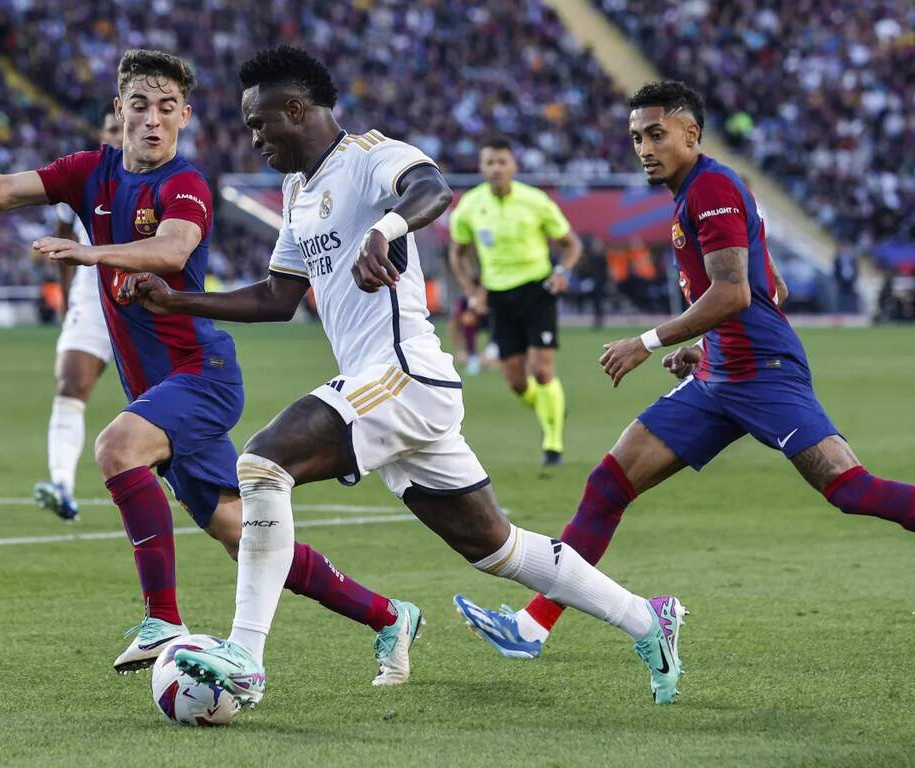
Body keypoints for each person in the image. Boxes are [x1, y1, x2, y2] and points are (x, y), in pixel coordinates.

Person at [124, 45, 686, 709]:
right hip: (386, 388)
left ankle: (246, 656)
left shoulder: (368, 155)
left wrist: (383, 229)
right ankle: (649, 621)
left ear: (296, 110)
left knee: (262, 464)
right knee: (495, 547)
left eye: (259, 124)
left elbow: (433, 189)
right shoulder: (298, 191)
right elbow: (277, 298)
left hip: (402, 373)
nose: (254, 139)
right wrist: (178, 299)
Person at [0, 48, 421, 686]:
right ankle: (388, 615)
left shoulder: (184, 184)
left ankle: (163, 620)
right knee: (247, 538)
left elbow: (172, 247)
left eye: (167, 109)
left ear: (183, 117)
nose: (153, 120)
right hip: (158, 387)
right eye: (141, 106)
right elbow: (0, 189)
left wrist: (93, 252)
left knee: (116, 448)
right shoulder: (87, 172)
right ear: (120, 111)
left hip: (202, 374)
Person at [453, 80, 915, 660]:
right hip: (720, 374)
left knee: (849, 489)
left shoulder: (713, 186)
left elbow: (736, 291)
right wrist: (706, 346)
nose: (644, 147)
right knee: (608, 485)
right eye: (636, 137)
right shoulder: (690, 193)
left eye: (656, 134)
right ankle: (533, 627)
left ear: (691, 135)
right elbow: (771, 284)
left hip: (765, 373)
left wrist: (648, 340)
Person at [448, 138, 583, 467]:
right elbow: (458, 252)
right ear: (481, 167)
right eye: (490, 162)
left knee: (541, 370)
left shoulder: (535, 201)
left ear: (513, 166)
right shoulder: (469, 206)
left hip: (538, 290)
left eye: (502, 162)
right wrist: (472, 291)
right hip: (498, 296)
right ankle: (549, 406)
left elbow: (571, 243)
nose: (496, 168)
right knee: (516, 380)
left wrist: (563, 271)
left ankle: (553, 444)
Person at [32, 104, 122, 521]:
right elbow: (65, 236)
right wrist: (68, 298)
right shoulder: (84, 180)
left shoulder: (170, 180)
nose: (119, 135)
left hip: (146, 299)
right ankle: (62, 485)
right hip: (92, 294)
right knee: (71, 385)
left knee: (158, 397)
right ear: (103, 135)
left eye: (125, 127)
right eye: (111, 129)